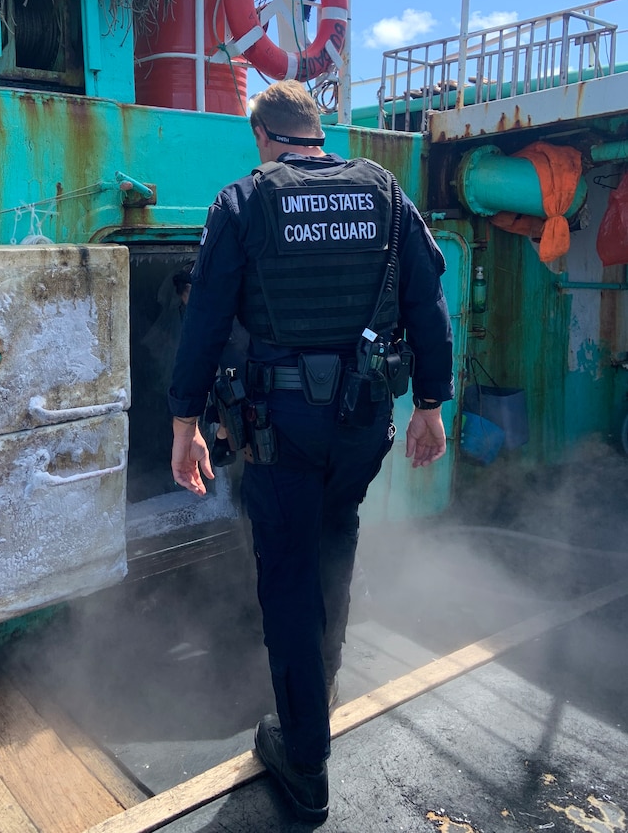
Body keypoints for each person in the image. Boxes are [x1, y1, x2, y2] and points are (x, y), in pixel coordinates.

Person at [168, 80, 453, 823]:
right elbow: (427, 302)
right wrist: (430, 404)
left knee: (289, 574)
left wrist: (183, 422)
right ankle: (320, 689)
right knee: (337, 541)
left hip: (279, 427)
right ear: (319, 134)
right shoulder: (386, 194)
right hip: (364, 422)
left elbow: (203, 320)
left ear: (264, 135)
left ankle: (305, 759)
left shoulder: (243, 201)